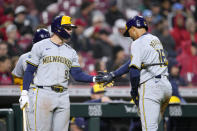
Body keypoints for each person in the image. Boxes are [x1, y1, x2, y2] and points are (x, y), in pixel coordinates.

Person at [18, 15, 106, 131]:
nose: (70, 31)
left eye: (71, 28)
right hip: (44, 92)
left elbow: (77, 74)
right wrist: (24, 92)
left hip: (63, 95)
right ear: (58, 28)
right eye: (68, 28)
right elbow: (29, 70)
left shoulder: (71, 51)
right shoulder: (40, 46)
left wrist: (95, 79)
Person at [99, 16, 172, 131]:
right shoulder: (155, 39)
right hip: (166, 87)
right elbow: (131, 62)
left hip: (151, 88)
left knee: (149, 128)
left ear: (133, 29)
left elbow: (134, 71)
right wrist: (114, 74)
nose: (130, 37)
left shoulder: (138, 42)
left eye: (129, 33)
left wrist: (134, 91)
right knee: (156, 126)